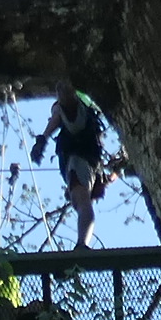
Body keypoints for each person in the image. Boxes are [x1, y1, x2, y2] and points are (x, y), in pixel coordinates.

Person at [31, 89, 110, 248]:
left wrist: (43, 139)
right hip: (86, 146)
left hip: (78, 145)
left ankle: (82, 243)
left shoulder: (79, 174)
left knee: (81, 201)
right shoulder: (88, 174)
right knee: (81, 201)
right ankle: (83, 243)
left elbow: (56, 116)